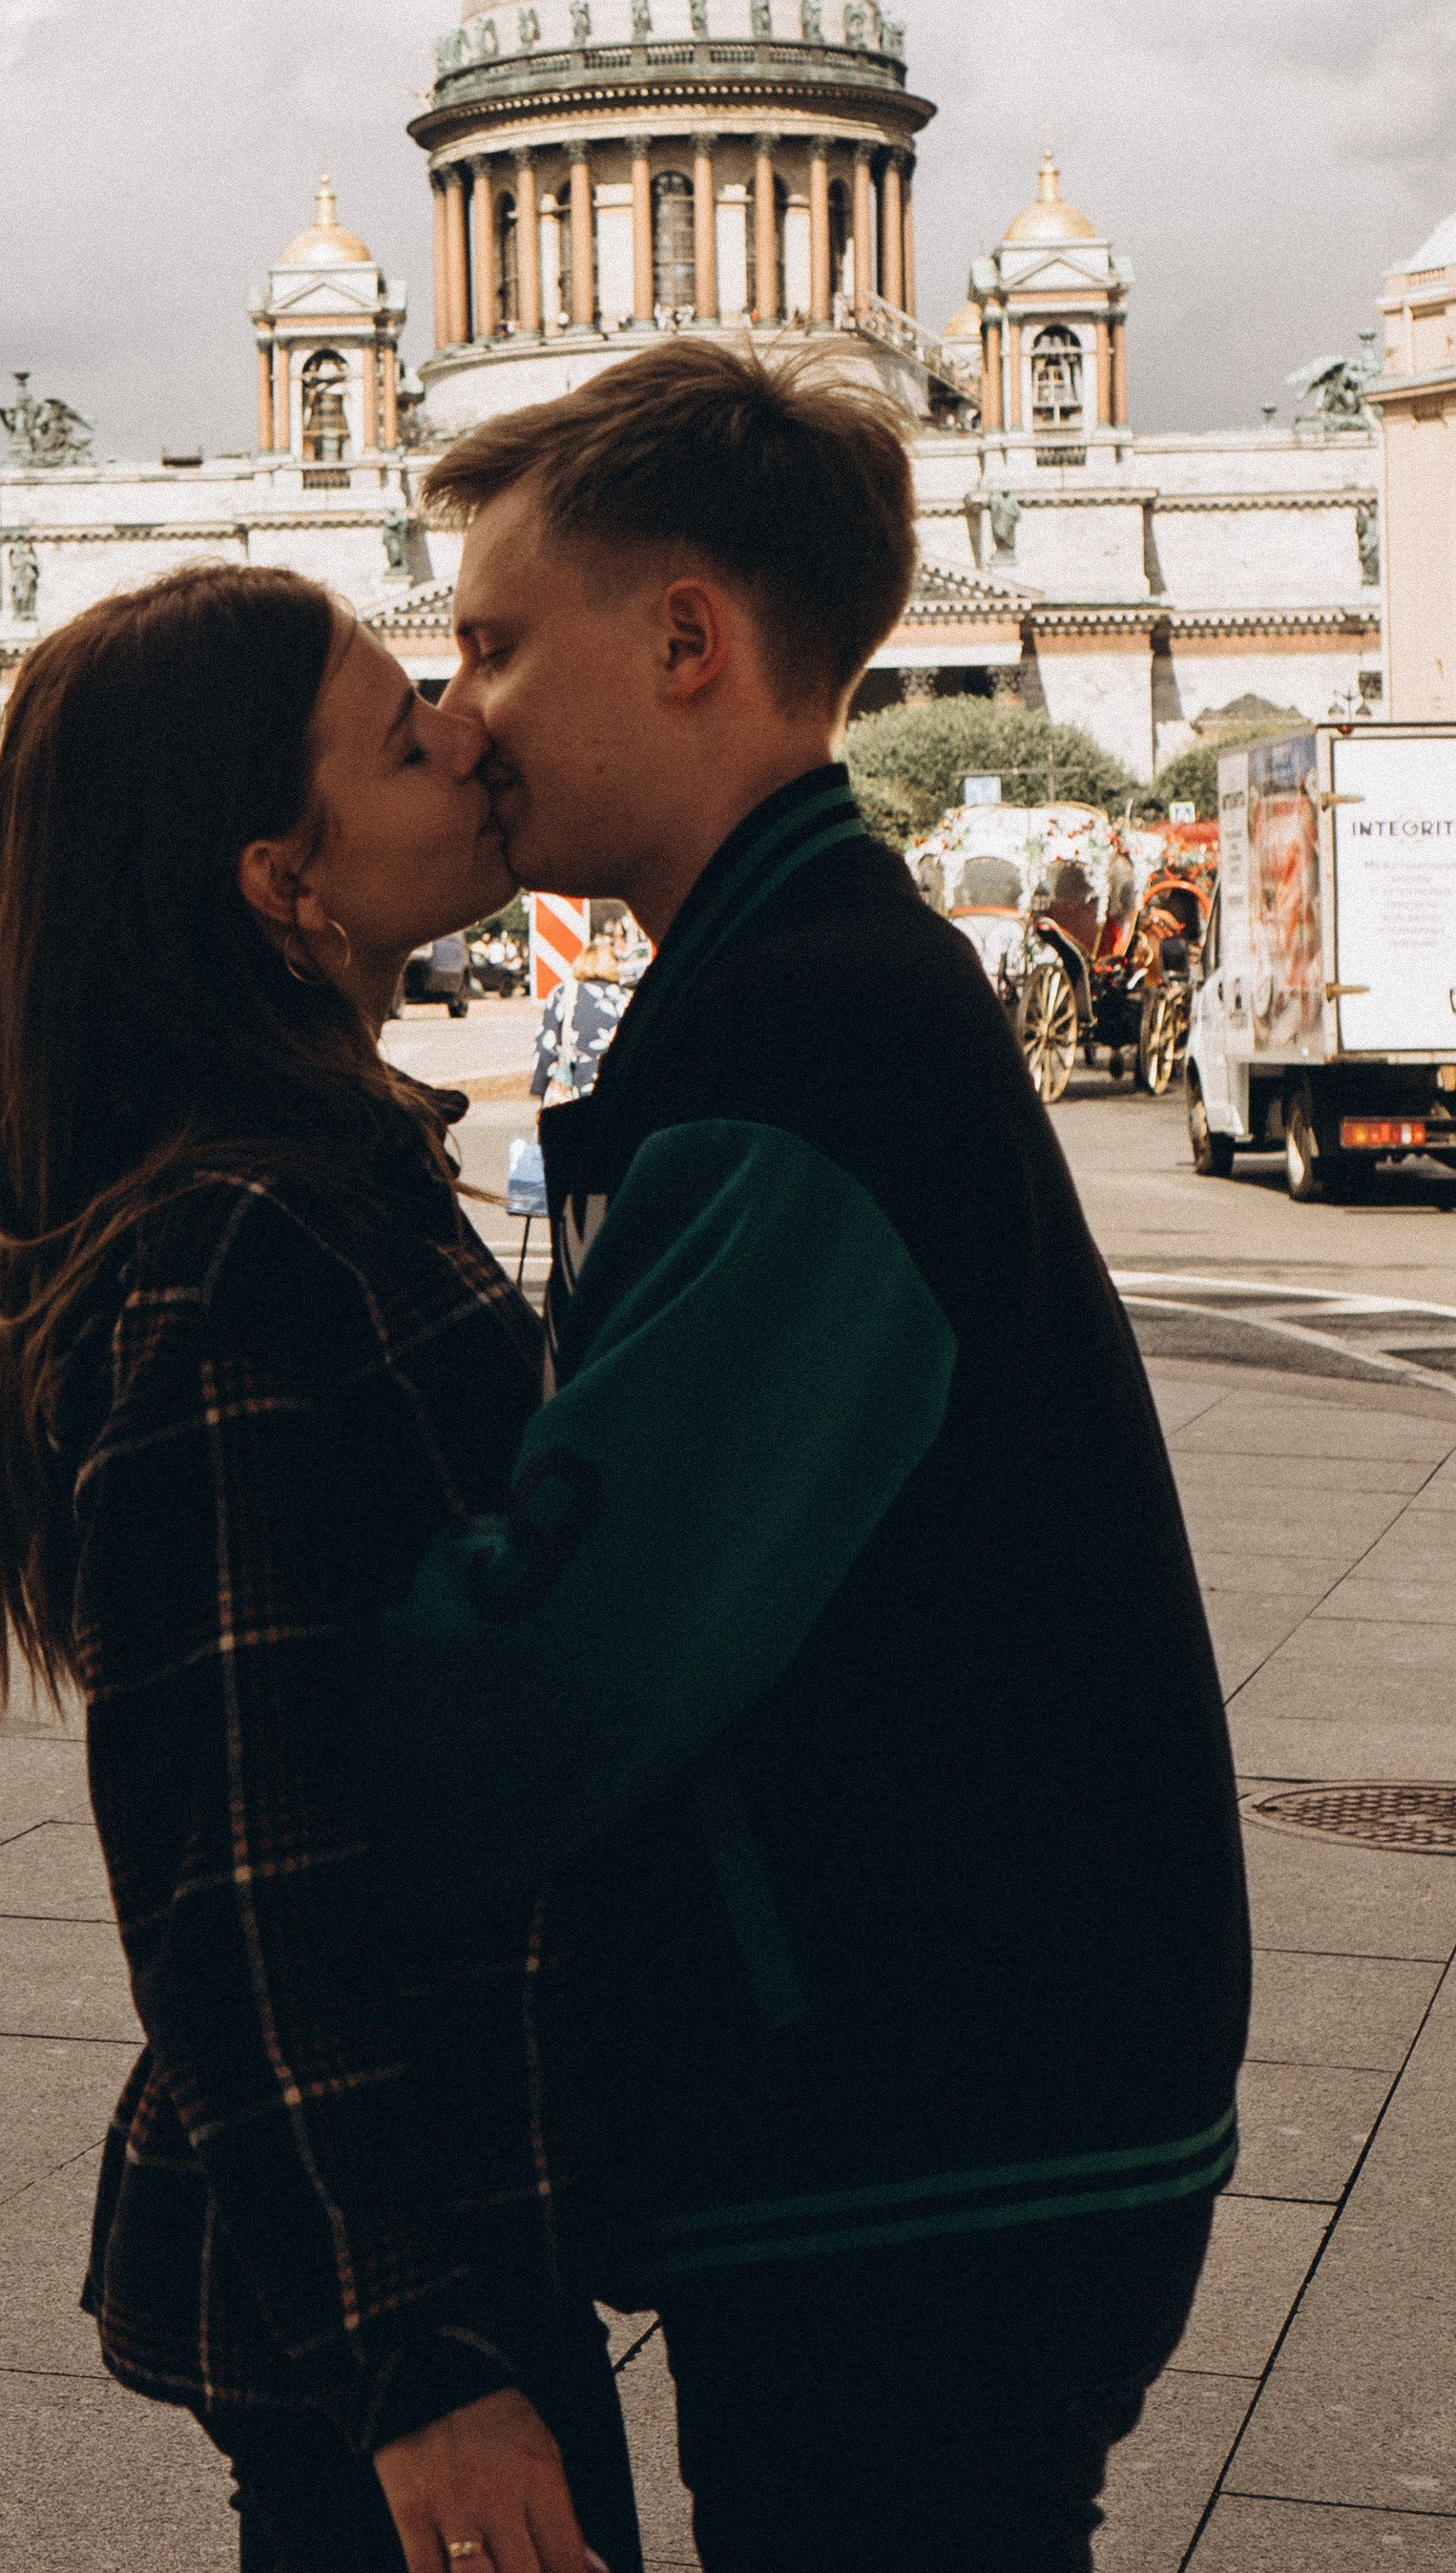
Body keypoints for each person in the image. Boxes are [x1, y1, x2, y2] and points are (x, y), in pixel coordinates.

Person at [358, 340, 1248, 2571]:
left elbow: (568, 1661)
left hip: (921, 2118)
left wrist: (293, 1728)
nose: (449, 712)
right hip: (970, 2074)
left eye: (484, 642)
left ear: (682, 640)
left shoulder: (798, 1036)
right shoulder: (807, 983)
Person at [0, 565, 644, 2573]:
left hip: (429, 2213)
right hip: (391, 2263)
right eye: (393, 727)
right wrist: (410, 2363)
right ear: (281, 884)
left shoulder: (303, 1176)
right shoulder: (234, 1246)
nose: (461, 725)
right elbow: (226, 1861)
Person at [530, 932, 632, 1107]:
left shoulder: (565, 994)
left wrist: (539, 1086)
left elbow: (547, 1045)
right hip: (619, 1093)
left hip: (576, 1092)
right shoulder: (627, 998)